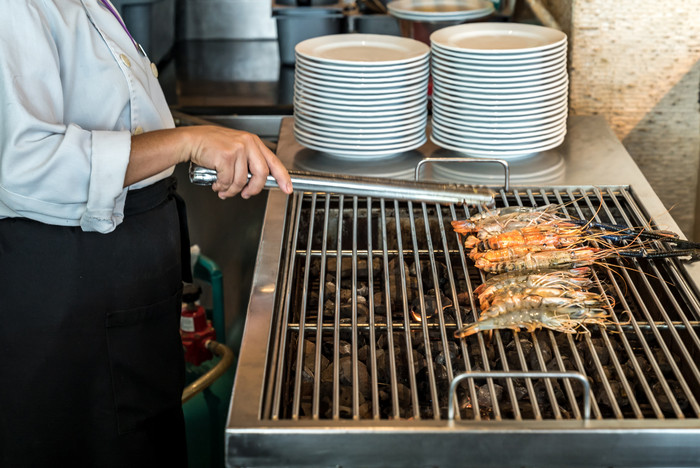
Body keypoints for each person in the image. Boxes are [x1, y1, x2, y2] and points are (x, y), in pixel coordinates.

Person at [0, 1, 292, 467]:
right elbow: (28, 167)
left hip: (125, 299)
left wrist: (200, 141)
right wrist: (187, 142)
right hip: (73, 306)